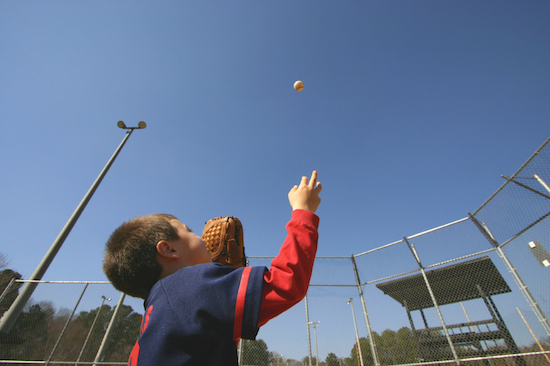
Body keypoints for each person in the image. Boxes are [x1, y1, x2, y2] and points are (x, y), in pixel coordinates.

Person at [102, 171, 322, 366]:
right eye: (189, 231)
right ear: (168, 249)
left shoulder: (158, 312)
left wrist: (223, 286)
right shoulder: (187, 288)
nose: (200, 236)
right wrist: (303, 212)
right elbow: (285, 283)